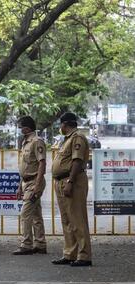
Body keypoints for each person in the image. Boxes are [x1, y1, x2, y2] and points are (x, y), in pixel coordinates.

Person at [51, 112, 92, 267]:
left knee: (77, 219)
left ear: (65, 124)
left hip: (72, 181)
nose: (60, 128)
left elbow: (77, 161)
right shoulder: (66, 140)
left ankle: (84, 255)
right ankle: (70, 253)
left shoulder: (77, 138)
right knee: (67, 220)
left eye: (61, 125)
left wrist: (70, 181)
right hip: (62, 181)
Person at [13, 116, 47, 255]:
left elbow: (42, 163)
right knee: (36, 215)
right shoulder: (25, 143)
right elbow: (25, 166)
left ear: (27, 127)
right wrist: (20, 186)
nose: (20, 129)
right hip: (27, 181)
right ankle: (40, 244)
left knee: (25, 213)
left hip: (34, 182)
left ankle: (26, 244)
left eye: (21, 127)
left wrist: (37, 186)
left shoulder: (36, 142)